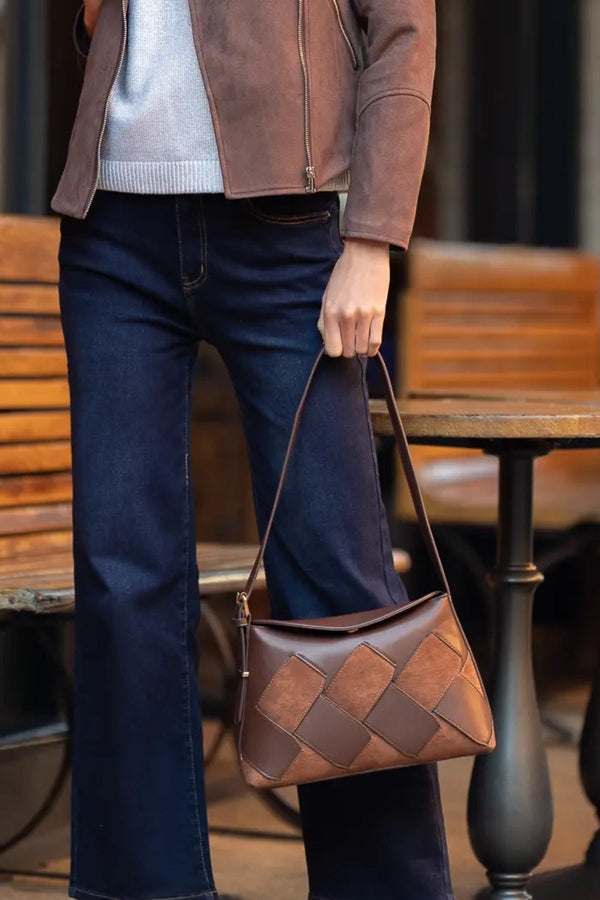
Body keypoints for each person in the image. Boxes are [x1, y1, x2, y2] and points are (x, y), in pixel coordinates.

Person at [53, 1, 453, 899]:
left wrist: (373, 239)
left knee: (337, 582)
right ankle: (139, 887)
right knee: (123, 583)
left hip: (287, 232)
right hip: (112, 226)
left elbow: (402, 31)